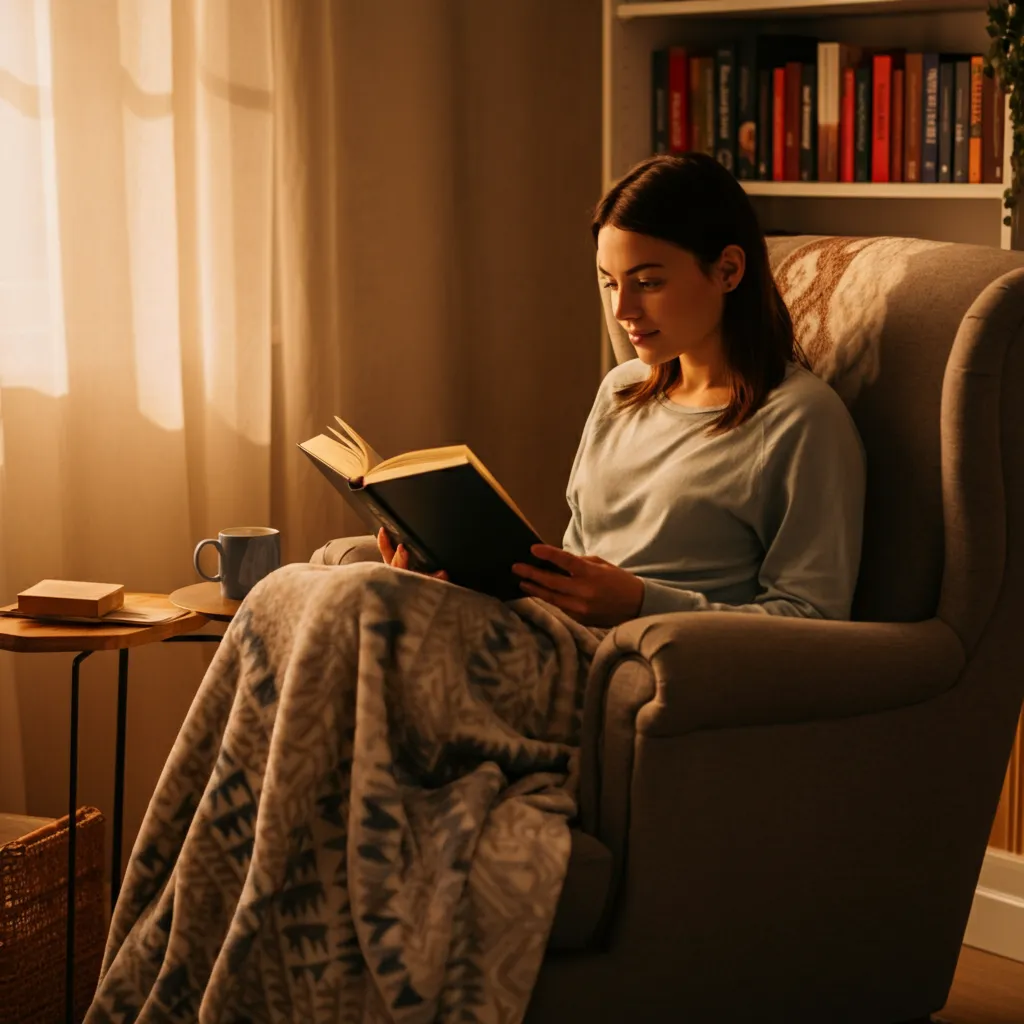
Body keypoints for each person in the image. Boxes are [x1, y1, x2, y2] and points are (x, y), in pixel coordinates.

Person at [379, 152, 866, 626]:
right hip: (553, 636)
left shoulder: (801, 420)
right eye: (610, 284)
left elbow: (814, 618)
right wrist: (454, 579)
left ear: (728, 271)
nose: (622, 310)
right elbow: (574, 562)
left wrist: (642, 605)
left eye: (648, 282)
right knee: (348, 587)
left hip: (641, 664)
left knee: (355, 606)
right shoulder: (622, 390)